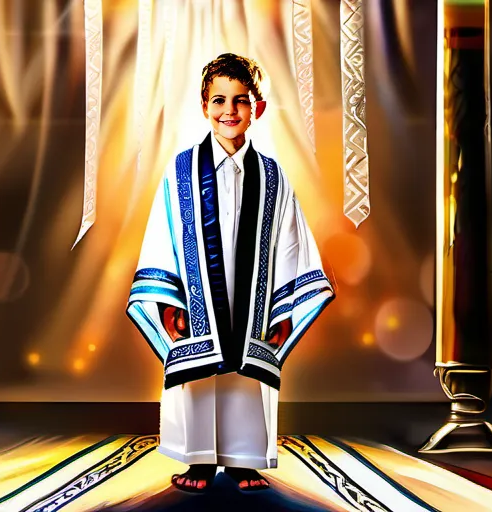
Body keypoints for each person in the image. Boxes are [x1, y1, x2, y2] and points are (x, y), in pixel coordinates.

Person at [127, 53, 334, 493]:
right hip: (196, 298)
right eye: (219, 100)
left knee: (245, 376)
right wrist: (169, 300)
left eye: (241, 100)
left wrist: (284, 307)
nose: (230, 111)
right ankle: (197, 459)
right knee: (200, 376)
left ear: (257, 107)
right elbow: (162, 232)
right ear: (204, 105)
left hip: (252, 299)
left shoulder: (273, 175)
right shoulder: (181, 169)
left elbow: (290, 240)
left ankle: (244, 459)